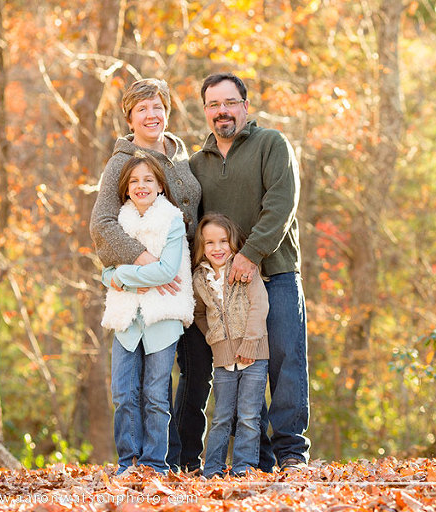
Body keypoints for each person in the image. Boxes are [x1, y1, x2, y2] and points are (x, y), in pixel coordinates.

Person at [189, 72, 310, 472]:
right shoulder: (196, 164)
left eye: (229, 102)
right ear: (206, 110)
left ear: (245, 105)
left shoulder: (271, 144)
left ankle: (292, 453)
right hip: (226, 290)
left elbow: (281, 204)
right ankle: (258, 456)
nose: (222, 111)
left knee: (284, 362)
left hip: (275, 273)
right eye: (213, 104)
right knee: (244, 367)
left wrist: (251, 254)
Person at [89, 78, 211, 472]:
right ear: (130, 116)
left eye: (157, 107)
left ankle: (179, 462)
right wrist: (141, 260)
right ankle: (141, 462)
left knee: (191, 378)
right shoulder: (121, 163)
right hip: (149, 289)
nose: (151, 115)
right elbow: (102, 224)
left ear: (168, 111)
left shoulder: (180, 156)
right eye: (142, 109)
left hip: (188, 284)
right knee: (140, 386)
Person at [100, 152, 194, 474]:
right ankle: (129, 463)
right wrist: (117, 278)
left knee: (155, 396)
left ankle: (155, 464)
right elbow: (104, 273)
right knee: (123, 394)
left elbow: (166, 271)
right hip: (126, 319)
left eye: (148, 180)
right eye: (134, 181)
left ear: (160, 187)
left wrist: (122, 277)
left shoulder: (172, 221)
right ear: (125, 189)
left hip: (161, 320)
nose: (141, 186)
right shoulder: (119, 223)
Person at [192, 213, 269, 477]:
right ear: (202, 247)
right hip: (223, 359)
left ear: (233, 242)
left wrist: (249, 343)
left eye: (223, 241)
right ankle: (212, 469)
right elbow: (200, 315)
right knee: (222, 417)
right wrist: (214, 338)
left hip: (255, 355)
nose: (217, 248)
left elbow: (260, 306)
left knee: (249, 416)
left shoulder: (245, 269)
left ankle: (243, 468)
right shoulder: (199, 279)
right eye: (210, 242)